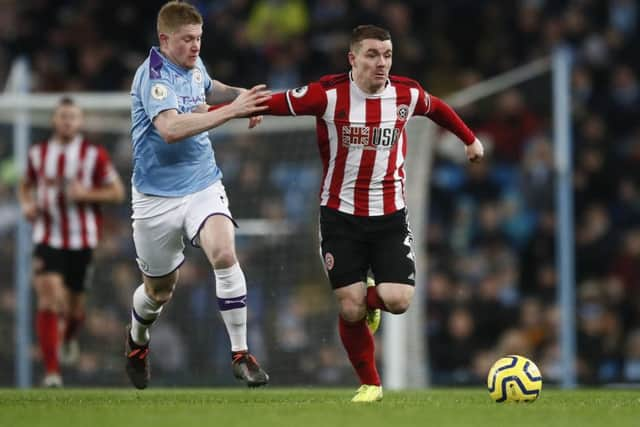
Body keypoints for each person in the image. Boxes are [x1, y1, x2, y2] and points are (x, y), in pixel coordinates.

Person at [212, 24, 484, 401]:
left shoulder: (405, 94)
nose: (382, 63)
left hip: (390, 216)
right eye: (372, 54)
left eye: (387, 55)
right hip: (339, 216)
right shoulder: (328, 95)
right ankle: (371, 384)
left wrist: (469, 139)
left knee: (398, 301)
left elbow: (437, 108)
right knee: (351, 306)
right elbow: (276, 103)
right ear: (352, 58)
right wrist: (217, 112)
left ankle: (372, 298)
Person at [126, 1, 272, 389]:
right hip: (155, 198)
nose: (195, 47)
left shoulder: (194, 65)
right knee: (159, 293)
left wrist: (240, 94)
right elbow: (171, 129)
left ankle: (241, 354)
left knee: (224, 252)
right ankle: (137, 341)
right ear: (165, 39)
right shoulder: (154, 76)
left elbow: (211, 87)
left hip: (203, 183)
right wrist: (231, 112)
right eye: (188, 40)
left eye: (199, 39)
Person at [18, 97, 126, 387]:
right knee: (50, 298)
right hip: (47, 236)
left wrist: (87, 194)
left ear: (80, 123)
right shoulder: (38, 154)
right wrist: (27, 204)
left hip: (82, 240)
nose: (67, 122)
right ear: (55, 120)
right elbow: (25, 184)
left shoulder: (94, 155)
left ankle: (69, 338)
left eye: (73, 117)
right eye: (63, 116)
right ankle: (52, 373)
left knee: (75, 307)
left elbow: (116, 192)